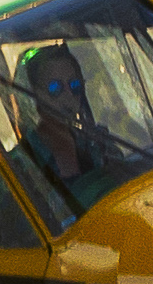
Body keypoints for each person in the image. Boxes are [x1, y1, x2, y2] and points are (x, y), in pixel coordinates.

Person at [15, 44, 113, 197]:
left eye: (74, 85)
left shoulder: (99, 143)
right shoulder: (17, 166)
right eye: (55, 88)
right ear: (31, 95)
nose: (68, 95)